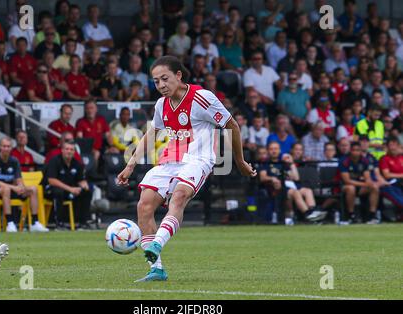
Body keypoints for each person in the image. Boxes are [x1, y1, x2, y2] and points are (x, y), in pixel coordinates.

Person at [116, 55, 256, 282]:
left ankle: (157, 244)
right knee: (144, 205)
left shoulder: (202, 98)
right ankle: (156, 269)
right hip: (170, 160)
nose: (161, 85)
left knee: (178, 197)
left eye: (165, 79)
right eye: (156, 81)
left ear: (178, 75)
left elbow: (231, 125)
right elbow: (152, 134)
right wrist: (130, 165)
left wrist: (239, 162)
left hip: (198, 159)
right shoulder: (162, 104)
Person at [0, 137, 49, 233]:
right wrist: (14, 187)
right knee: (6, 189)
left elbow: (19, 179)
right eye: (4, 146)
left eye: (8, 146)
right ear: (0, 147)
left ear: (11, 148)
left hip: (13, 190)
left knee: (33, 189)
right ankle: (10, 223)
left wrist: (20, 186)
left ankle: (35, 223)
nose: (6, 148)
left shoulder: (14, 161)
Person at [259, 141, 326, 226]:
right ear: (268, 150)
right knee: (295, 192)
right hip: (278, 189)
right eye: (271, 149)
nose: (274, 151)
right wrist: (272, 178)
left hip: (291, 186)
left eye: (276, 149)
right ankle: (309, 215)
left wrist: (291, 163)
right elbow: (262, 177)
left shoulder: (284, 162)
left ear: (279, 150)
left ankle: (313, 212)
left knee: (307, 191)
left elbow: (296, 177)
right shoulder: (265, 163)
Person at [42, 140, 92, 230]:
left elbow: (80, 180)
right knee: (58, 192)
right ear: (62, 150)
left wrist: (84, 185)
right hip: (50, 190)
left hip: (68, 190)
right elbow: (52, 180)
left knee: (86, 192)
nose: (69, 151)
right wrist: (70, 189)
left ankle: (83, 223)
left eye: (71, 149)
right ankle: (59, 223)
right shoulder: (54, 161)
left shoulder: (77, 164)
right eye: (67, 149)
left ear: (74, 152)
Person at [339, 142, 379, 223]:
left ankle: (372, 215)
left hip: (360, 186)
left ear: (361, 151)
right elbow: (347, 180)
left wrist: (369, 182)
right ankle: (351, 215)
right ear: (350, 151)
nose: (356, 152)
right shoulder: (344, 161)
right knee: (351, 188)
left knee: (374, 187)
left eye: (358, 150)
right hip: (344, 186)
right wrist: (364, 184)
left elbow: (367, 176)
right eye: (354, 150)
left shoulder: (364, 160)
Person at [75, 99, 117, 166]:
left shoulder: (101, 120)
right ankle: (94, 174)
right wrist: (90, 149)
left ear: (96, 109)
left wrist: (112, 146)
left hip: (101, 148)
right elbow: (79, 139)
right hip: (87, 149)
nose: (89, 110)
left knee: (115, 151)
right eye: (87, 108)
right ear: (85, 110)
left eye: (91, 108)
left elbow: (108, 135)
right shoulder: (81, 122)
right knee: (96, 153)